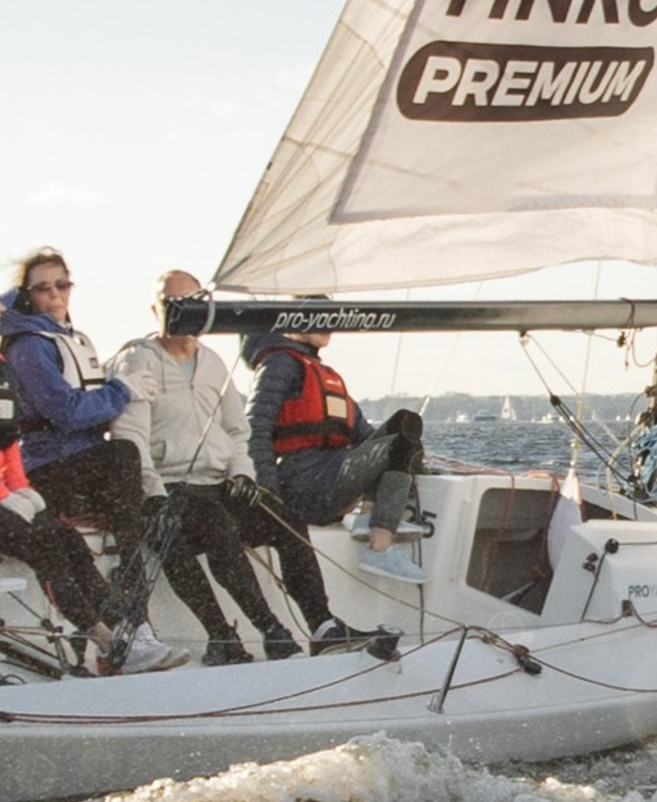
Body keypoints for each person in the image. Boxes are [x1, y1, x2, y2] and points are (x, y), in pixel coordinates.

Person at [0, 258, 145, 676]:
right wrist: (0, 494)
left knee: (66, 538)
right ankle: (107, 641)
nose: (2, 307)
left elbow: (7, 442)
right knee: (44, 543)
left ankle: (127, 630)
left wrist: (21, 487)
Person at [110, 270, 346, 662]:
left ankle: (322, 626)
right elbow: (129, 437)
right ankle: (266, 631)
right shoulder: (137, 360)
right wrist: (150, 492)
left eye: (194, 304)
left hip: (221, 482)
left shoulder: (214, 363)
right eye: (173, 304)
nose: (183, 313)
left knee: (286, 521)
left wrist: (243, 474)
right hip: (170, 486)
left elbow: (238, 431)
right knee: (218, 526)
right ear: (155, 309)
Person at [0, 251, 183, 671]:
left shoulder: (71, 339)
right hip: (46, 466)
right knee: (122, 458)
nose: (55, 295)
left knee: (155, 497)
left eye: (62, 285)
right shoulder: (29, 347)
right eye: (43, 288)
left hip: (82, 463)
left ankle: (137, 620)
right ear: (27, 296)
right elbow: (66, 411)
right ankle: (135, 623)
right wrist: (121, 390)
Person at [247, 322, 429, 584]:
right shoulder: (279, 364)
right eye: (318, 318)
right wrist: (268, 493)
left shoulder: (324, 373)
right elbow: (256, 429)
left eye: (332, 319)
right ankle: (379, 547)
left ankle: (369, 515)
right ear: (291, 322)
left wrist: (417, 461)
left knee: (405, 423)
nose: (327, 326)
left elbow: (365, 435)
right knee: (399, 443)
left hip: (330, 476)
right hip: (303, 487)